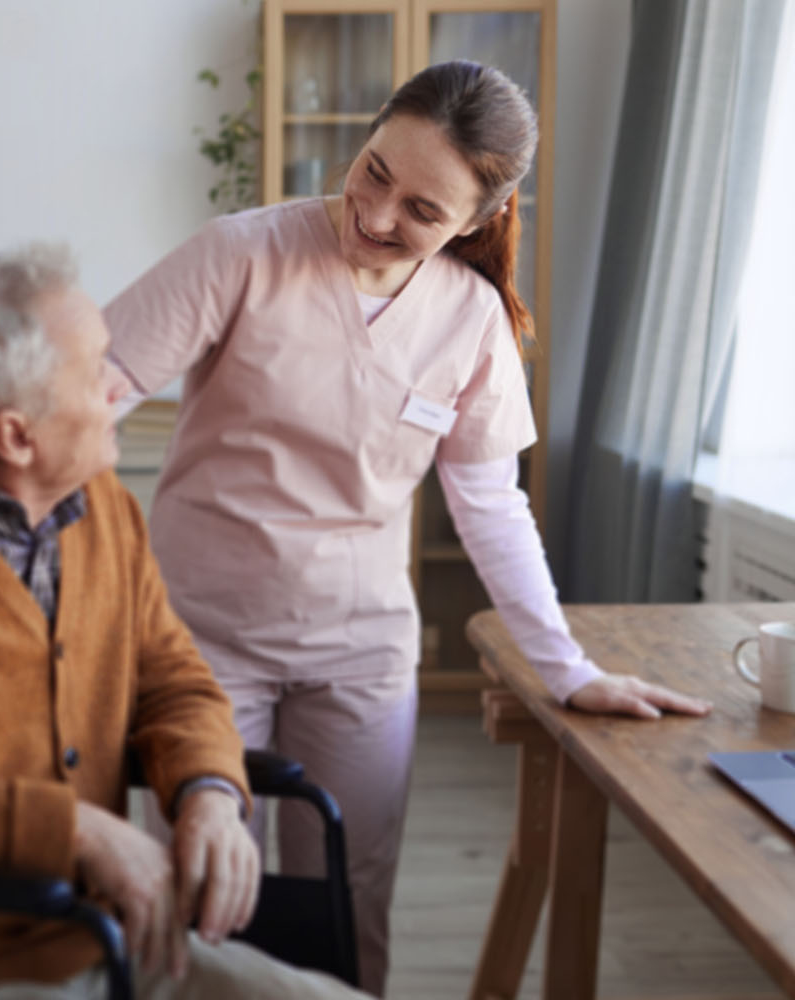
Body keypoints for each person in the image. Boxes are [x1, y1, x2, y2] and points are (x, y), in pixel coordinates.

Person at [101, 61, 711, 996]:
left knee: (346, 903)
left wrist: (568, 670)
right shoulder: (243, 254)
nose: (378, 215)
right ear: (371, 131)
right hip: (200, 643)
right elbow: (85, 397)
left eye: (423, 210)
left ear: (477, 221)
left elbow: (491, 507)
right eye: (376, 170)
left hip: (359, 654)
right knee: (199, 896)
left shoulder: (470, 322)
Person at [0, 244, 371, 1000]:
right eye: (97, 372)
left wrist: (211, 790)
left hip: (111, 941)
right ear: (15, 436)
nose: (126, 387)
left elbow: (174, 681)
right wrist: (76, 830)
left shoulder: (103, 506)